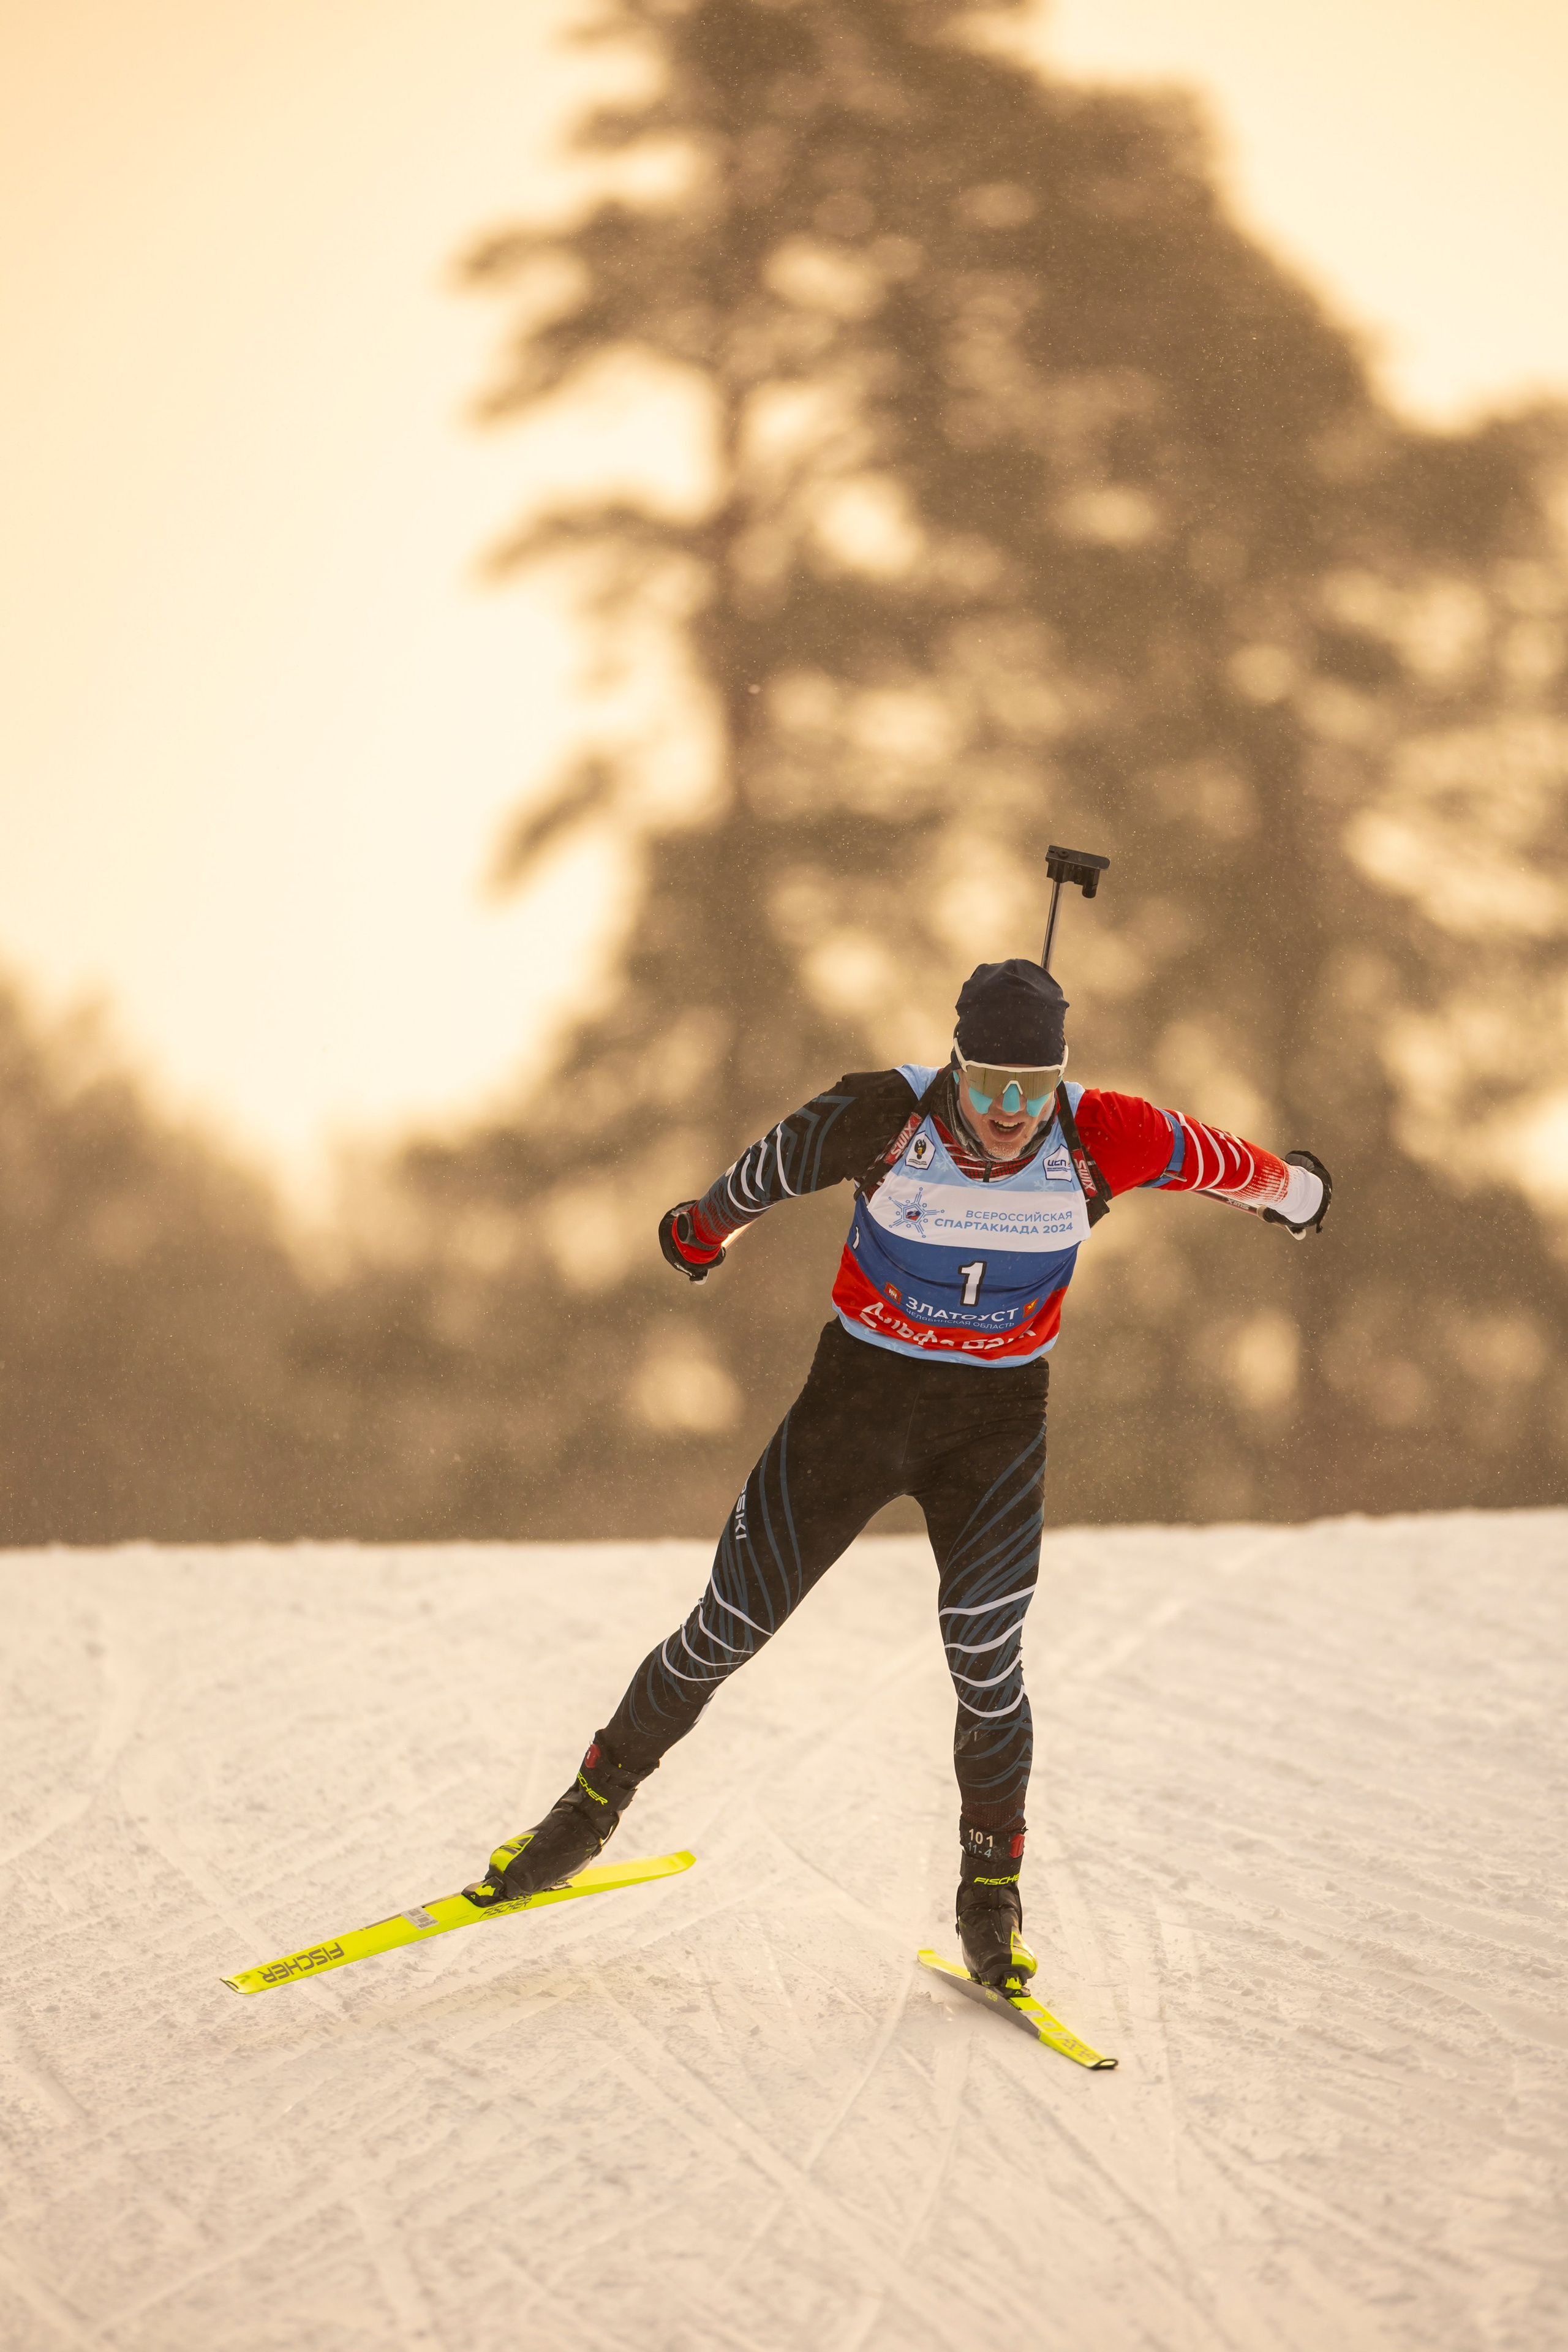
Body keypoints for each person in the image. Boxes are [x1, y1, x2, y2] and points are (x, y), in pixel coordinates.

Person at [467, 958, 1331, 1989]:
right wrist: (701, 1233)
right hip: (856, 1405)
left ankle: (990, 1897)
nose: (1010, 1112)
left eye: (1033, 1087)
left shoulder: (1108, 1133)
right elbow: (765, 1171)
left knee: (984, 1650)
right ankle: (584, 1813)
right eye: (988, 1084)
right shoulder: (886, 1113)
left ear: (1061, 1078)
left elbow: (1226, 1164)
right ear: (955, 1064)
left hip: (994, 1424)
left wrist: (1300, 1194)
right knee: (730, 1624)